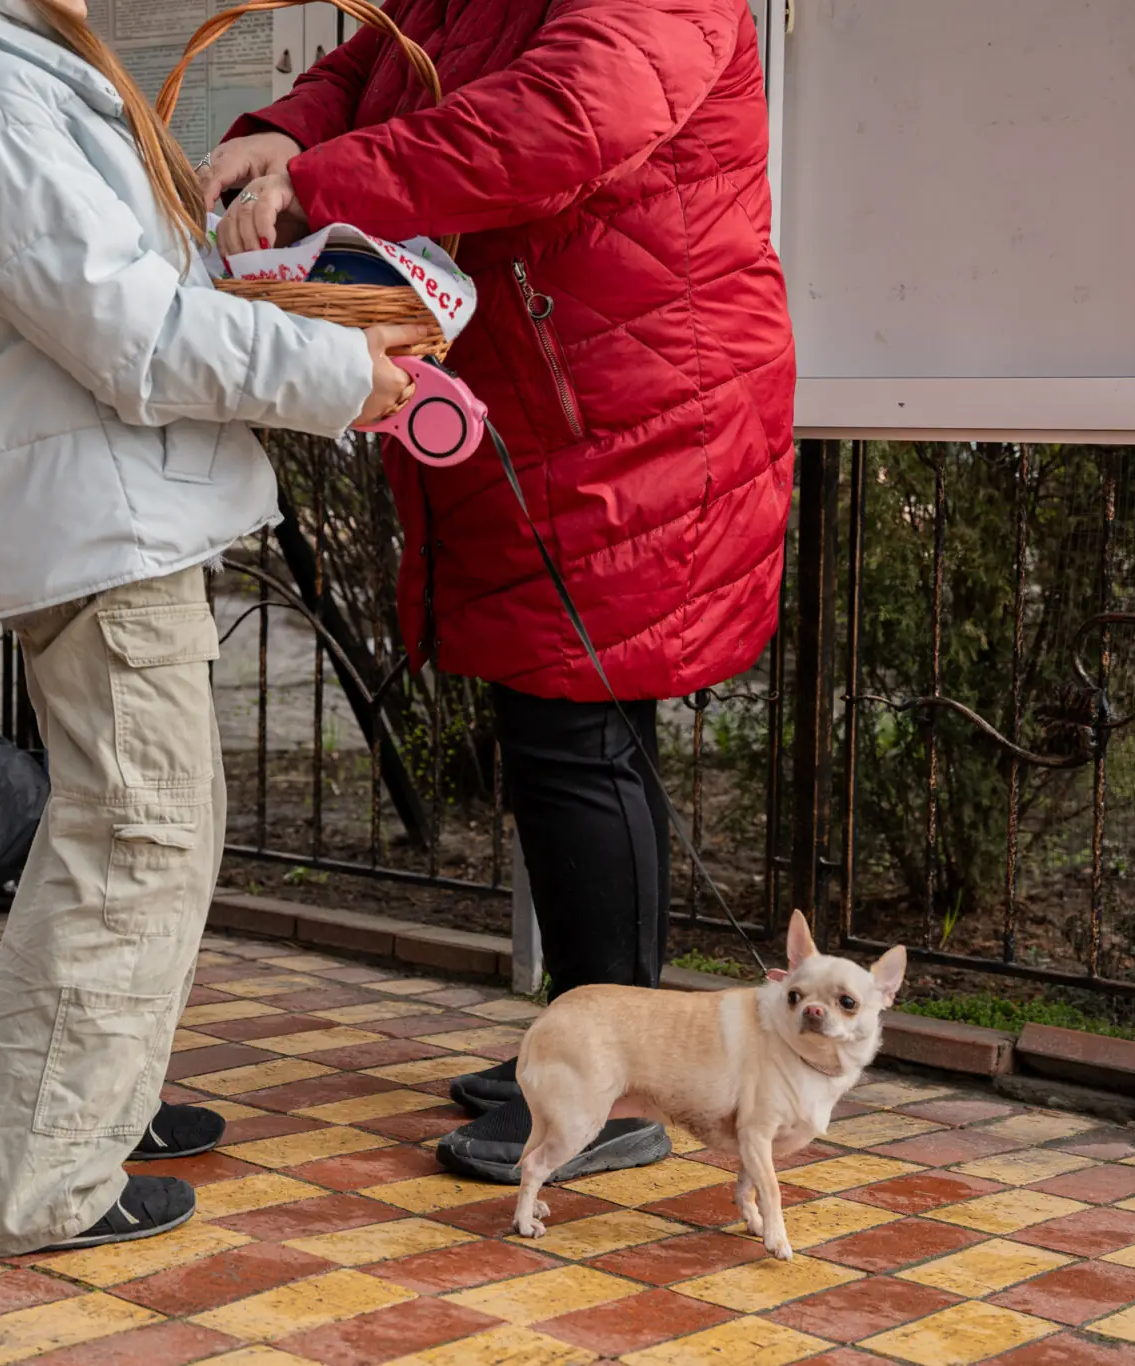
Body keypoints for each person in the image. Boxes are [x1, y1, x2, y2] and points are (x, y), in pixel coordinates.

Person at [0, 0, 423, 1257]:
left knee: (142, 827)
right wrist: (342, 375)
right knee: (138, 833)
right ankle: (39, 1179)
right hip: (94, 515)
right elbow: (132, 336)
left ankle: (93, 1105)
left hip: (91, 508)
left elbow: (126, 293)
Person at [208, 0, 798, 1185]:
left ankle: (619, 1087)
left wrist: (322, 182)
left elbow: (564, 116)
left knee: (575, 726)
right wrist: (287, 125)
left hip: (634, 404)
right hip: (558, 398)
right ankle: (584, 1044)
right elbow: (391, 57)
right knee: (562, 723)